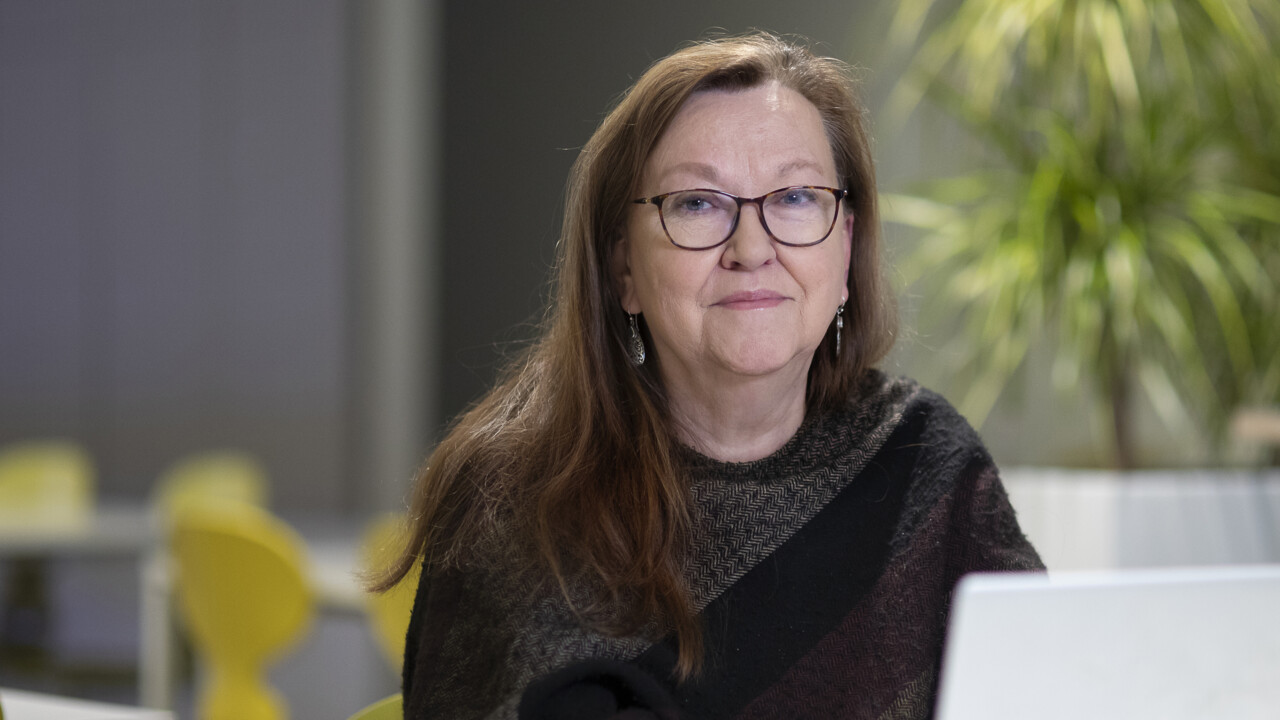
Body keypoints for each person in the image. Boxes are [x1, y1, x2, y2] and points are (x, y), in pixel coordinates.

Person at [374, 31, 1043, 720]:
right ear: (623, 268)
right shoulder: (514, 500)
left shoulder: (926, 461)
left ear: (845, 248)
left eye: (795, 197)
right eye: (697, 203)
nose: (752, 248)